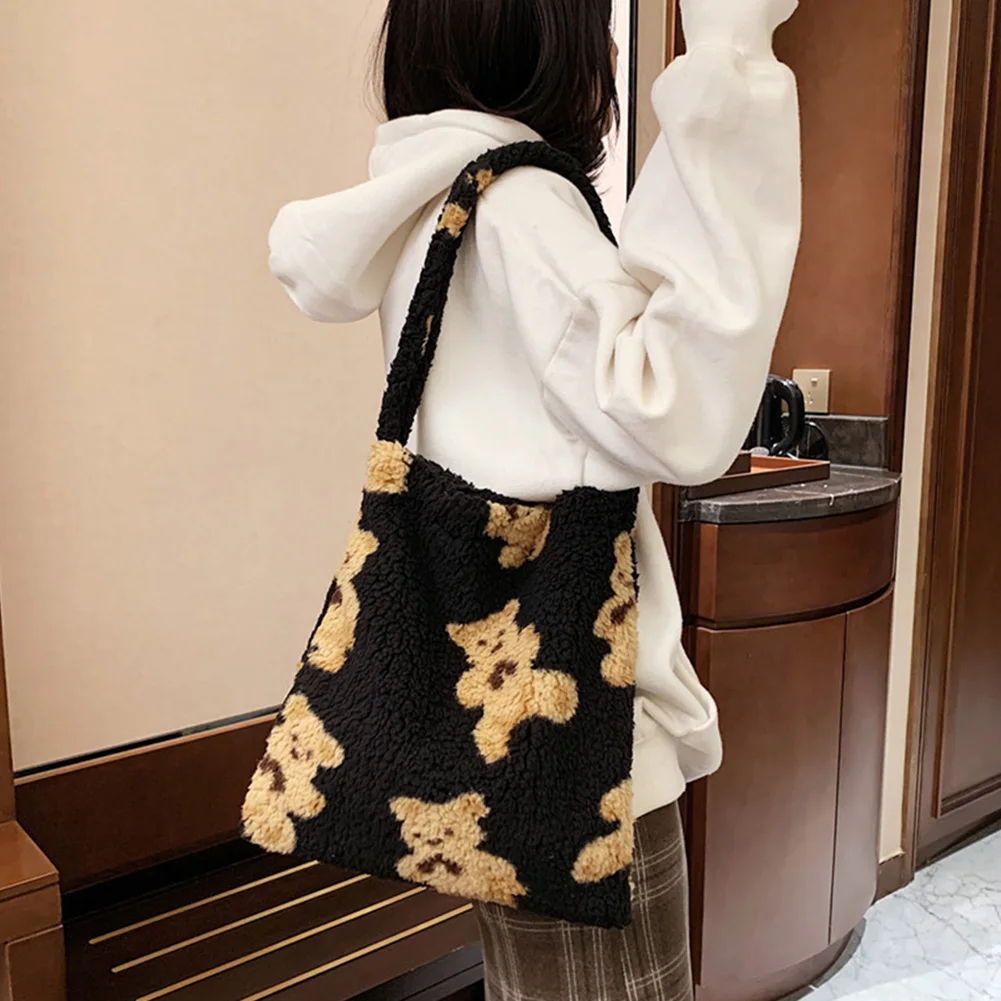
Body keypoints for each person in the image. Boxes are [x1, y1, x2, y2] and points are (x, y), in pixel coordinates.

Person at [268, 0, 801, 996]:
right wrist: (729, 52)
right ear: (542, 35)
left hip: (501, 735)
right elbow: (677, 411)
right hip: (579, 748)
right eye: (593, 22)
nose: (608, 46)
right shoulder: (521, 206)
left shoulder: (431, 203)